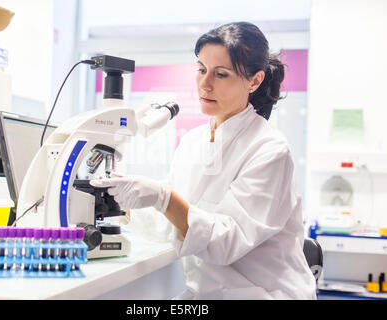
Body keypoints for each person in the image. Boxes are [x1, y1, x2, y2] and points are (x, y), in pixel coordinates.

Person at [91, 21, 317, 300]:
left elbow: (227, 241)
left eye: (221, 74)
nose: (204, 84)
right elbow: (174, 224)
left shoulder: (269, 149)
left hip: (264, 295)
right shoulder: (194, 141)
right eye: (201, 69)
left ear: (254, 81)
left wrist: (164, 197)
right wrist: (120, 206)